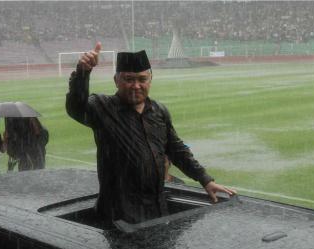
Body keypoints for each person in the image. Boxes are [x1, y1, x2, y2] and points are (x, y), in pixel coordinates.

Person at [66, 43, 235, 225]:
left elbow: (176, 150)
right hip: (119, 216)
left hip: (156, 210)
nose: (136, 85)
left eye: (142, 79)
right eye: (129, 79)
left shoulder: (159, 111)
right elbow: (76, 106)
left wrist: (205, 180)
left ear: (150, 80)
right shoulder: (103, 107)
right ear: (116, 81)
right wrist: (82, 72)